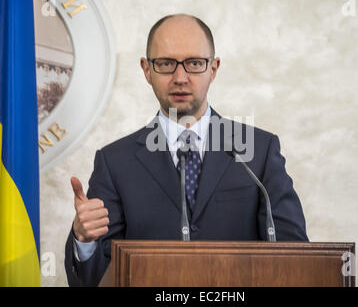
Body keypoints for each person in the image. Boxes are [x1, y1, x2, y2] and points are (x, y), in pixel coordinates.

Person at [64, 14, 308, 287]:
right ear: (147, 70)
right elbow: (99, 279)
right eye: (166, 64)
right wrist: (84, 241)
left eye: (194, 63)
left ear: (213, 69)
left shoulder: (259, 151)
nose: (180, 78)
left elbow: (295, 256)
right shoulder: (114, 162)